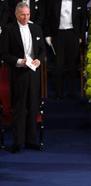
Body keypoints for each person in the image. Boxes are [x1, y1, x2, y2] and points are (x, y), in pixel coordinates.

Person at [2, 2, 45, 153]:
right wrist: (20, 62)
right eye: (22, 15)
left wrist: (39, 60)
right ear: (16, 14)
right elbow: (4, 54)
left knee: (33, 106)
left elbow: (41, 50)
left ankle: (31, 140)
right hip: (18, 74)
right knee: (19, 108)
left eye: (27, 14)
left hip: (34, 74)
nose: (25, 17)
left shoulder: (36, 28)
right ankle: (17, 142)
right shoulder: (8, 30)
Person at [44, 0, 87, 99]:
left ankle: (72, 92)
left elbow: (84, 19)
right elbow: (47, 18)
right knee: (59, 65)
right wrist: (47, 35)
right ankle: (59, 93)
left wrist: (81, 36)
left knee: (72, 64)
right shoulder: (53, 2)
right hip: (58, 34)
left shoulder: (79, 2)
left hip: (73, 34)